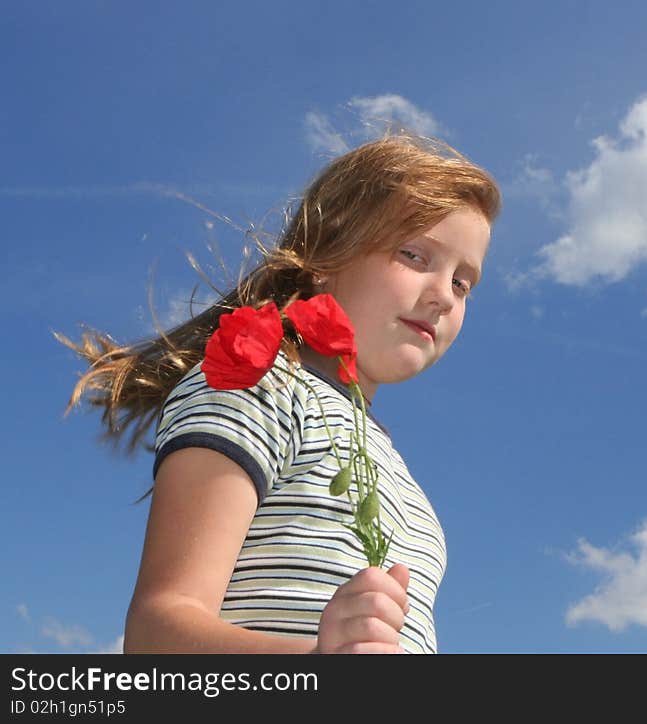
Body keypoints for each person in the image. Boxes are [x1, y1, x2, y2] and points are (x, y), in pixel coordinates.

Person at [57, 133, 501, 653]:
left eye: (462, 283)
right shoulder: (260, 383)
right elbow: (158, 632)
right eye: (414, 254)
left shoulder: (400, 474)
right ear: (326, 255)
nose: (443, 296)